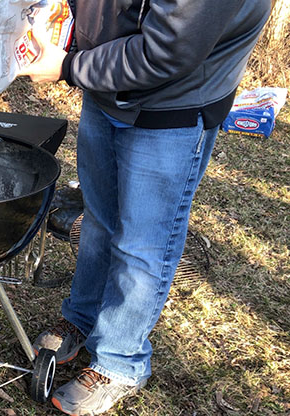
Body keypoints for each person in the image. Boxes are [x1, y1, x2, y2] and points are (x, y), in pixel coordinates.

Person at [18, 1, 272, 415]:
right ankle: (81, 318)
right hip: (107, 88)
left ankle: (120, 361)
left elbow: (168, 48)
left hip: (175, 102)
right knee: (98, 220)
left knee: (142, 245)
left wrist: (69, 67)